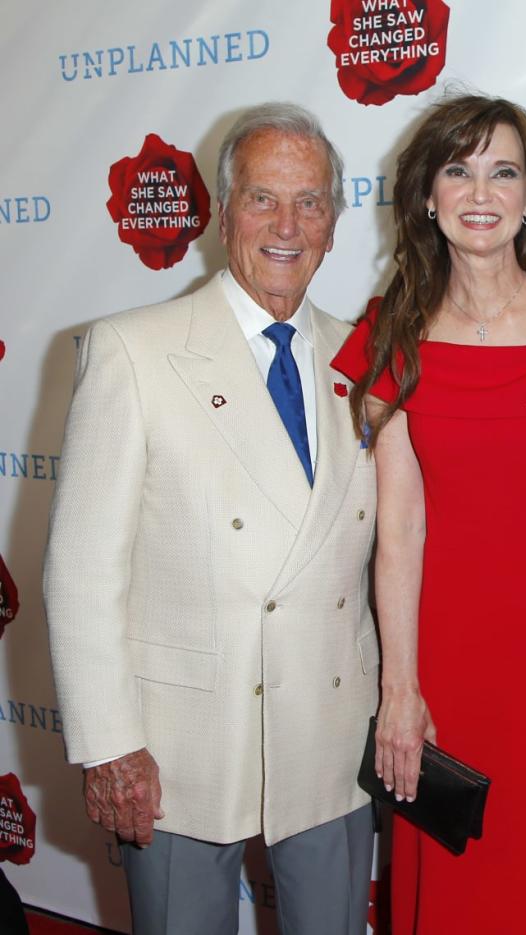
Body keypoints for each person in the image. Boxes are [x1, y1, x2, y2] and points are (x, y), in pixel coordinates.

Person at [43, 102, 379, 935]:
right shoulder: (134, 348)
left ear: (334, 224)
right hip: (179, 744)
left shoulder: (364, 359)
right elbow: (82, 572)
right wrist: (110, 742)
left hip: (331, 734)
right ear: (224, 213)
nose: (287, 224)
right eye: (263, 198)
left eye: (309, 202)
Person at [332, 94, 526, 934]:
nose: (479, 190)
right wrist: (401, 689)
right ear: (426, 194)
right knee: (464, 889)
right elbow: (398, 533)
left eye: (503, 171)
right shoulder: (395, 336)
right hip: (450, 666)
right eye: (458, 168)